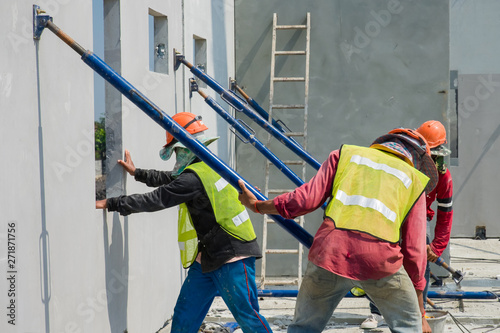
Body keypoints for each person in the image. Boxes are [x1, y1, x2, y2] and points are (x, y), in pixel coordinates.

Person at [238, 128, 438, 333]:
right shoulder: (414, 181)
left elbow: (304, 200)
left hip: (330, 254)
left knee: (303, 328)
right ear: (417, 159)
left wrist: (258, 205)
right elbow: (415, 252)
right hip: (380, 263)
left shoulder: (345, 155)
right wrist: (420, 313)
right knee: (409, 328)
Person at [96, 112, 273, 333]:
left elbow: (158, 198)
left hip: (232, 254)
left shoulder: (194, 177)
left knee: (248, 317)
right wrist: (137, 173)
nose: (176, 156)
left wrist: (112, 203)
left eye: (177, 150)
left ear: (183, 148)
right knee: (184, 317)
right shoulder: (208, 166)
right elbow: (173, 180)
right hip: (209, 256)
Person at [361, 120, 453, 330]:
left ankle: (418, 314)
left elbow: (445, 214)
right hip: (392, 215)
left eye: (440, 154)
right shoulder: (403, 166)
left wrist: (436, 248)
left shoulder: (444, 177)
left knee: (421, 263)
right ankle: (376, 312)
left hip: (420, 218)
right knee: (383, 259)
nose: (437, 160)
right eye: (433, 154)